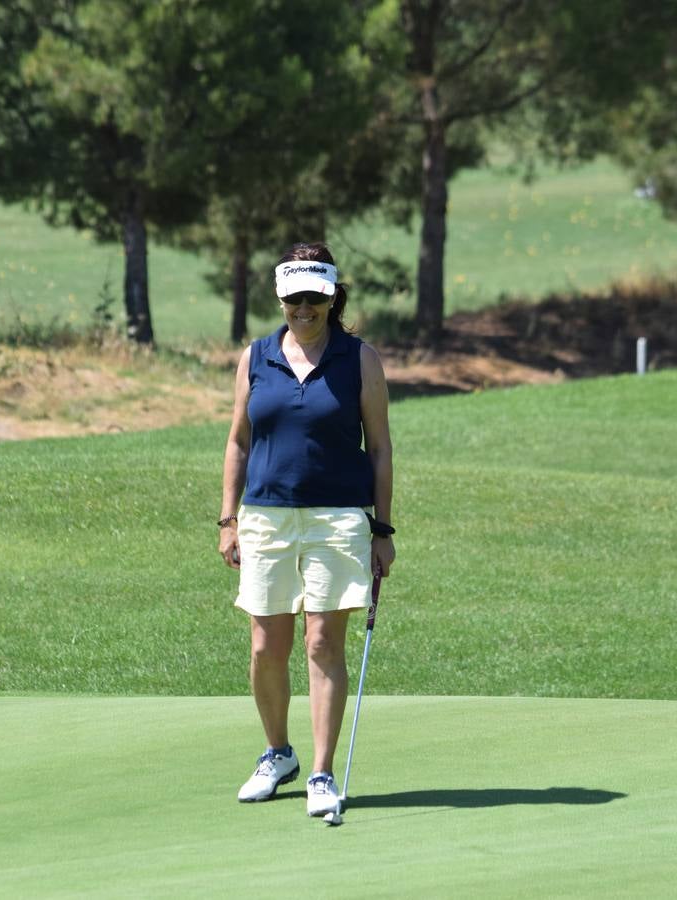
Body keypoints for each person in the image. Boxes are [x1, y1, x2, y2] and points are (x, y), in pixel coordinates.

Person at [218, 241, 395, 819]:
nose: (304, 307)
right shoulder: (256, 357)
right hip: (265, 515)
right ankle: (278, 754)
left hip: (338, 518)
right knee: (267, 646)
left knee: (322, 643)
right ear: (281, 298)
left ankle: (321, 772)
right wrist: (228, 517)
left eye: (314, 297)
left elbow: (381, 447)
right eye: (294, 298)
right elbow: (239, 441)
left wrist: (382, 528)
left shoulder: (359, 359)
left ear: (331, 296)